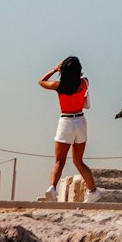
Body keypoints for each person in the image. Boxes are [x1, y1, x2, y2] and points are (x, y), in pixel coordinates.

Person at [37, 56, 100, 203]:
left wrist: (54, 69)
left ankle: (52, 188)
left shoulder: (59, 86)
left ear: (63, 71)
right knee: (79, 161)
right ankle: (93, 191)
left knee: (59, 160)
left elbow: (41, 81)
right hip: (81, 121)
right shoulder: (84, 83)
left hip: (66, 121)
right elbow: (82, 77)